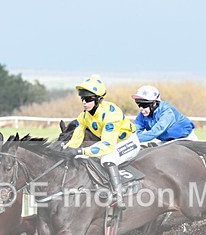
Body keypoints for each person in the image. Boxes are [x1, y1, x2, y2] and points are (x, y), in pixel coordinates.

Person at [62, 75, 140, 205]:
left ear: (98, 99)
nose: (84, 102)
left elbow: (108, 145)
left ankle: (118, 195)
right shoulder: (84, 116)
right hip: (110, 143)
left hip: (128, 142)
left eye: (88, 99)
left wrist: (81, 151)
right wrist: (64, 149)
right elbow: (76, 139)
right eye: (82, 98)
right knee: (83, 159)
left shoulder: (111, 114)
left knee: (107, 159)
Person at [131, 85, 197, 144]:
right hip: (167, 141)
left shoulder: (167, 112)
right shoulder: (142, 115)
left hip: (186, 138)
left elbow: (155, 132)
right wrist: (130, 138)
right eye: (138, 104)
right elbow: (135, 130)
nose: (141, 108)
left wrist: (133, 140)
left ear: (154, 103)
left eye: (144, 105)